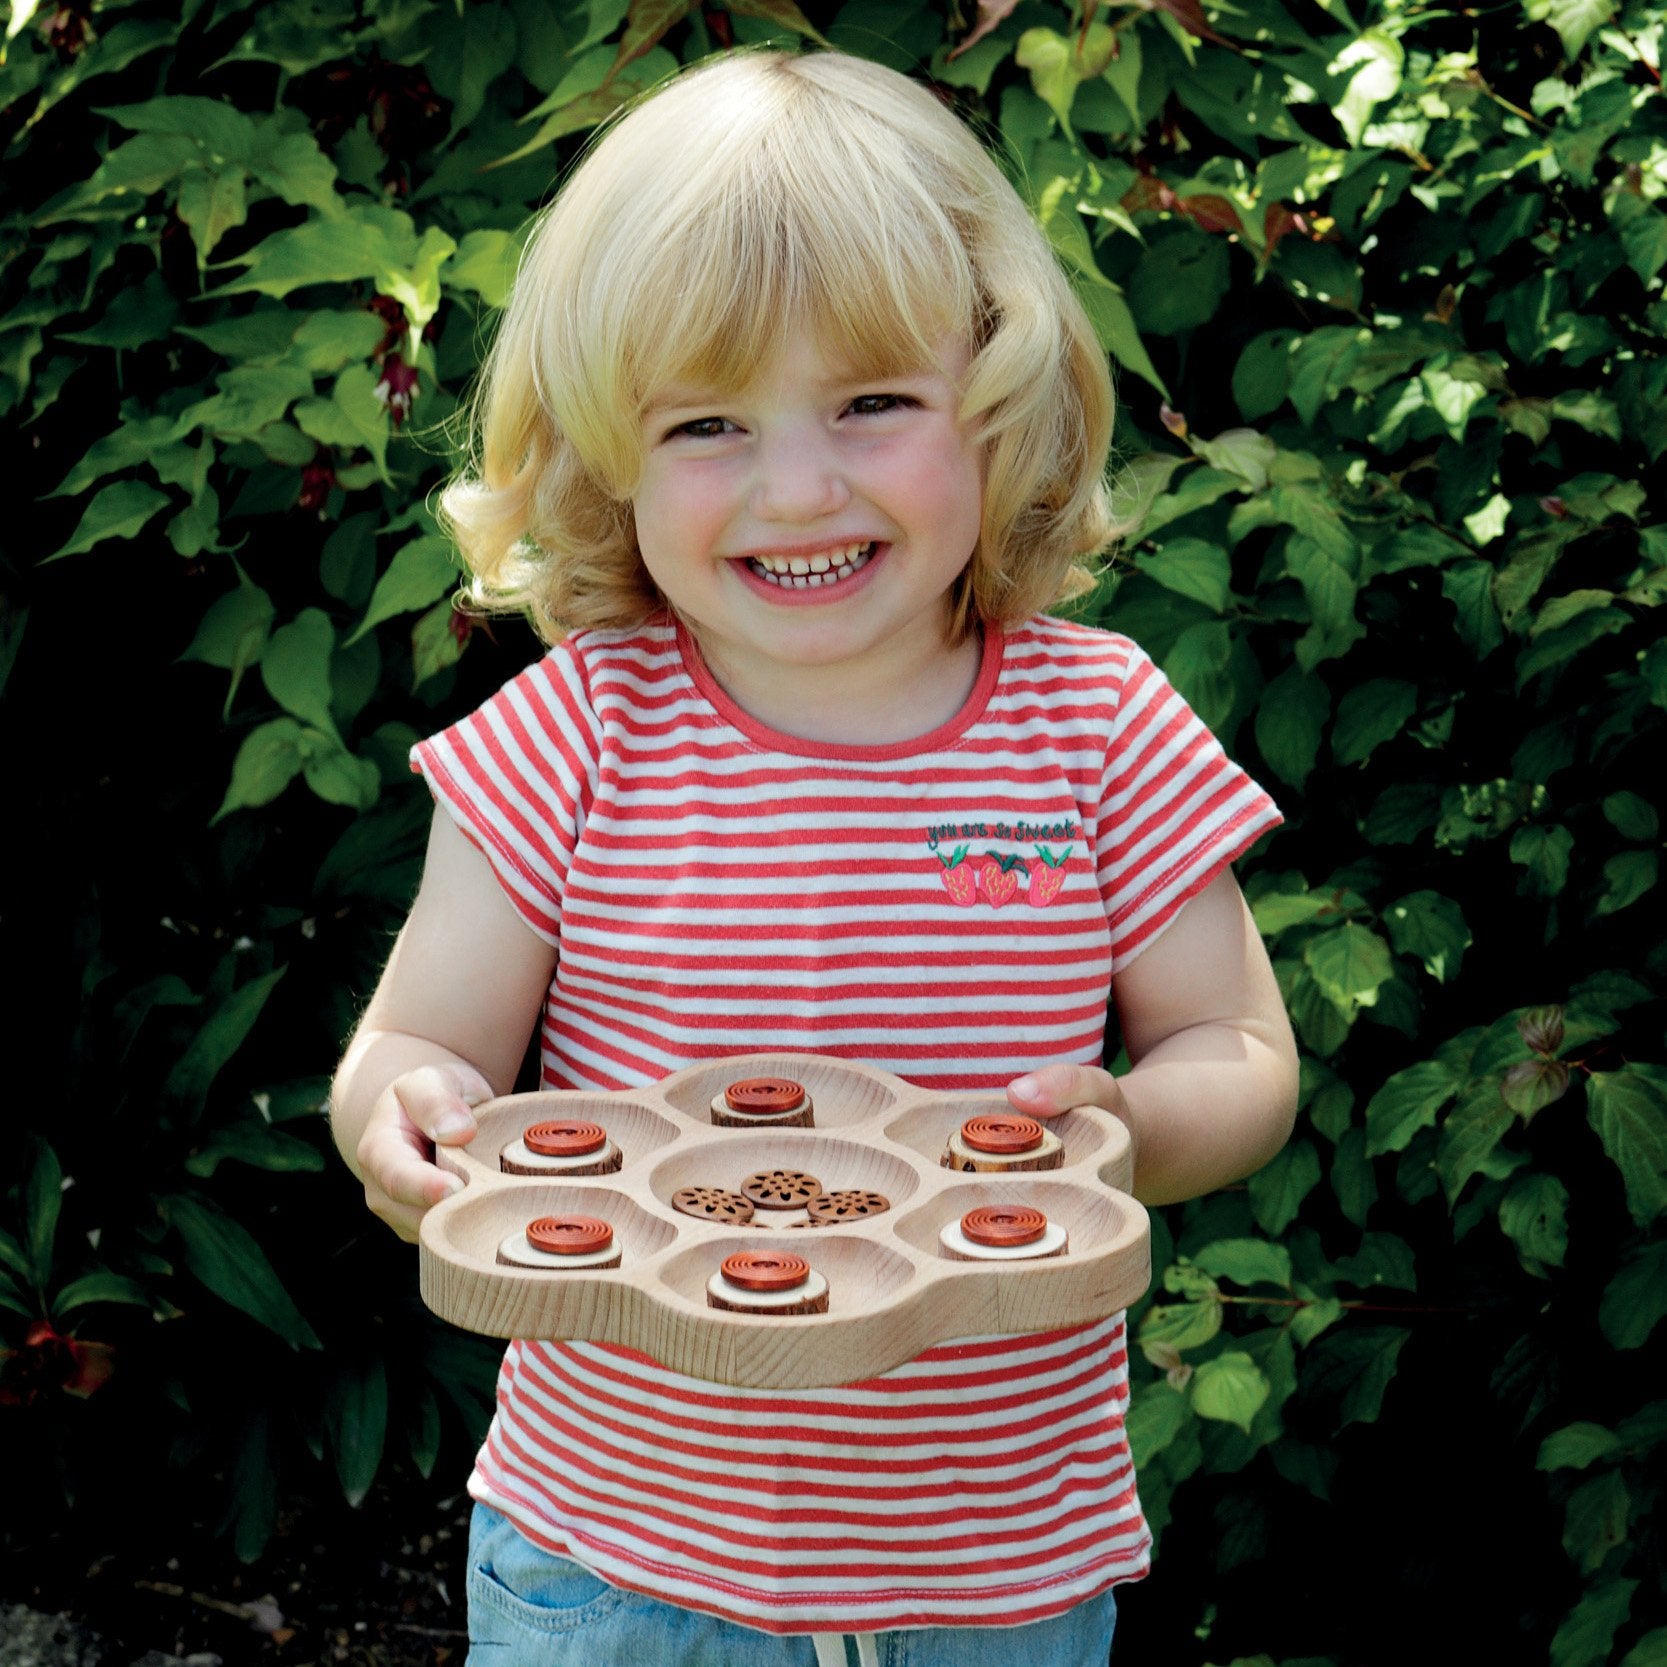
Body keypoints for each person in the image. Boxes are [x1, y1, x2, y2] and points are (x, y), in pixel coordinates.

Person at [330, 46, 1298, 1667]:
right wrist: (402, 1118)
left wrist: (1133, 1118)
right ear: (605, 456)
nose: (799, 486)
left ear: (998, 399)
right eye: (708, 422)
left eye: (873, 404)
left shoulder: (1095, 723)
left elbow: (1243, 1050)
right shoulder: (574, 737)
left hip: (997, 1568)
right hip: (625, 1566)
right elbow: (422, 1045)